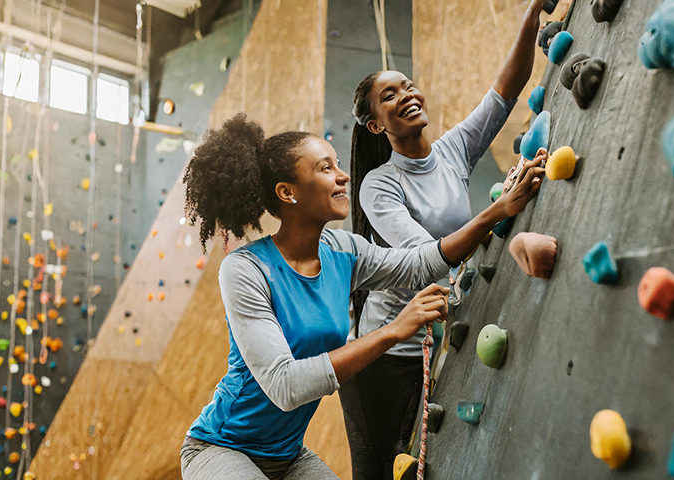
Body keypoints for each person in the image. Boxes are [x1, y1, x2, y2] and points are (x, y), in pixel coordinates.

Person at [179, 113, 544, 479]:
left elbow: (418, 264)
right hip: (222, 448)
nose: (343, 176)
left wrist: (496, 212)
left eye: (338, 164)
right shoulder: (245, 270)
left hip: (287, 455)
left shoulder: (342, 250)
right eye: (326, 168)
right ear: (287, 192)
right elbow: (285, 386)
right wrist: (391, 331)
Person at [341, 1, 548, 478]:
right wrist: (500, 209)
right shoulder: (379, 185)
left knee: (425, 468)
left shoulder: (452, 150)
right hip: (384, 359)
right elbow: (424, 260)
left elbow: (505, 90)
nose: (406, 94)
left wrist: (531, 14)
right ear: (376, 124)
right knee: (379, 471)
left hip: (434, 347)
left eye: (408, 85)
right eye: (389, 96)